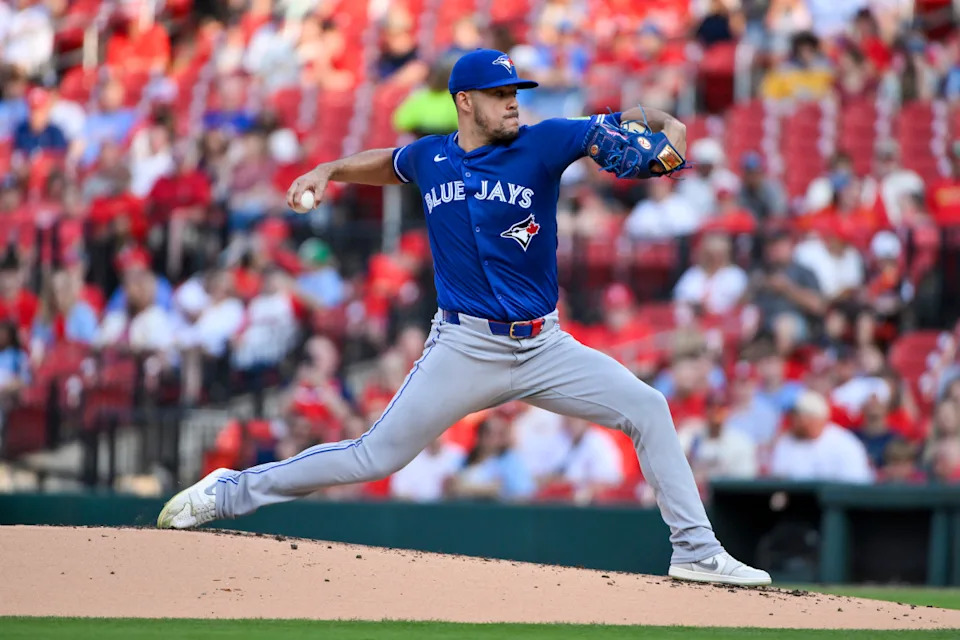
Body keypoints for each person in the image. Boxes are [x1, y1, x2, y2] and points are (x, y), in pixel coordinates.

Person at [157, 48, 770, 586]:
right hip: (464, 348)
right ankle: (229, 492)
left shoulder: (544, 139)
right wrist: (330, 170)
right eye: (501, 96)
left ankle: (696, 551)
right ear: (465, 102)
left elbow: (622, 136)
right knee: (374, 457)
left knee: (648, 407)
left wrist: (665, 124)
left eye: (516, 94)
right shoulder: (431, 157)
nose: (513, 105)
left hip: (544, 347)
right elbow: (391, 161)